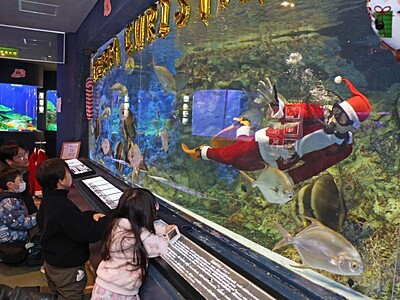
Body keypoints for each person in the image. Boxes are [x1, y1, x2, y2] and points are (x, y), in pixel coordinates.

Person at [182, 76, 371, 185]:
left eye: (342, 117)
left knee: (245, 164)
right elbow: (295, 112)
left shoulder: (343, 148)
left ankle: (243, 127)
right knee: (232, 158)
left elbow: (315, 167)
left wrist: (287, 180)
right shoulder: (321, 113)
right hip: (267, 143)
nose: (334, 116)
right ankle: (201, 152)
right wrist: (276, 104)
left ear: (352, 125)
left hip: (281, 164)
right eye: (337, 110)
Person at [35, 158, 107, 300]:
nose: (71, 175)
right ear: (61, 181)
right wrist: (107, 221)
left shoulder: (48, 200)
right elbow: (87, 233)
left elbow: (69, 222)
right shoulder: (63, 206)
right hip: (68, 270)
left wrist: (90, 216)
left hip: (52, 263)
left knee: (56, 292)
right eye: (68, 172)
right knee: (71, 295)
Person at [91, 188, 173, 300]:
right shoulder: (139, 236)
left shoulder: (116, 224)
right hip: (120, 293)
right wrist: (166, 234)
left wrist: (161, 229)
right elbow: (160, 247)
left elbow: (143, 229)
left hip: (103, 287)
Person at [0, 168, 39, 265]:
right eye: (20, 180)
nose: (23, 183)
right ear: (10, 185)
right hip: (10, 241)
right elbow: (21, 224)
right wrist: (39, 216)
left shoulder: (12, 198)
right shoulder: (9, 203)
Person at [0, 140, 37, 214]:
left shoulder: (24, 171)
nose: (26, 158)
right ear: (9, 161)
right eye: (20, 156)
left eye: (26, 153)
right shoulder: (5, 177)